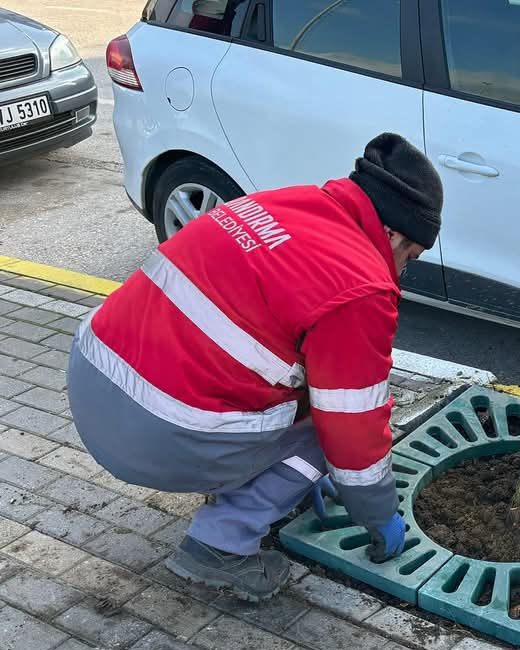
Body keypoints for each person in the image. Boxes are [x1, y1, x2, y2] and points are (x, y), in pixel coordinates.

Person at [67, 133, 443, 602]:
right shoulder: (362, 285)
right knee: (330, 436)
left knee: (302, 391)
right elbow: (353, 430)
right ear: (392, 232)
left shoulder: (288, 203)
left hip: (91, 379)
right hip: (155, 434)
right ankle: (221, 544)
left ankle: (247, 474)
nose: (404, 270)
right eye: (411, 255)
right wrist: (377, 511)